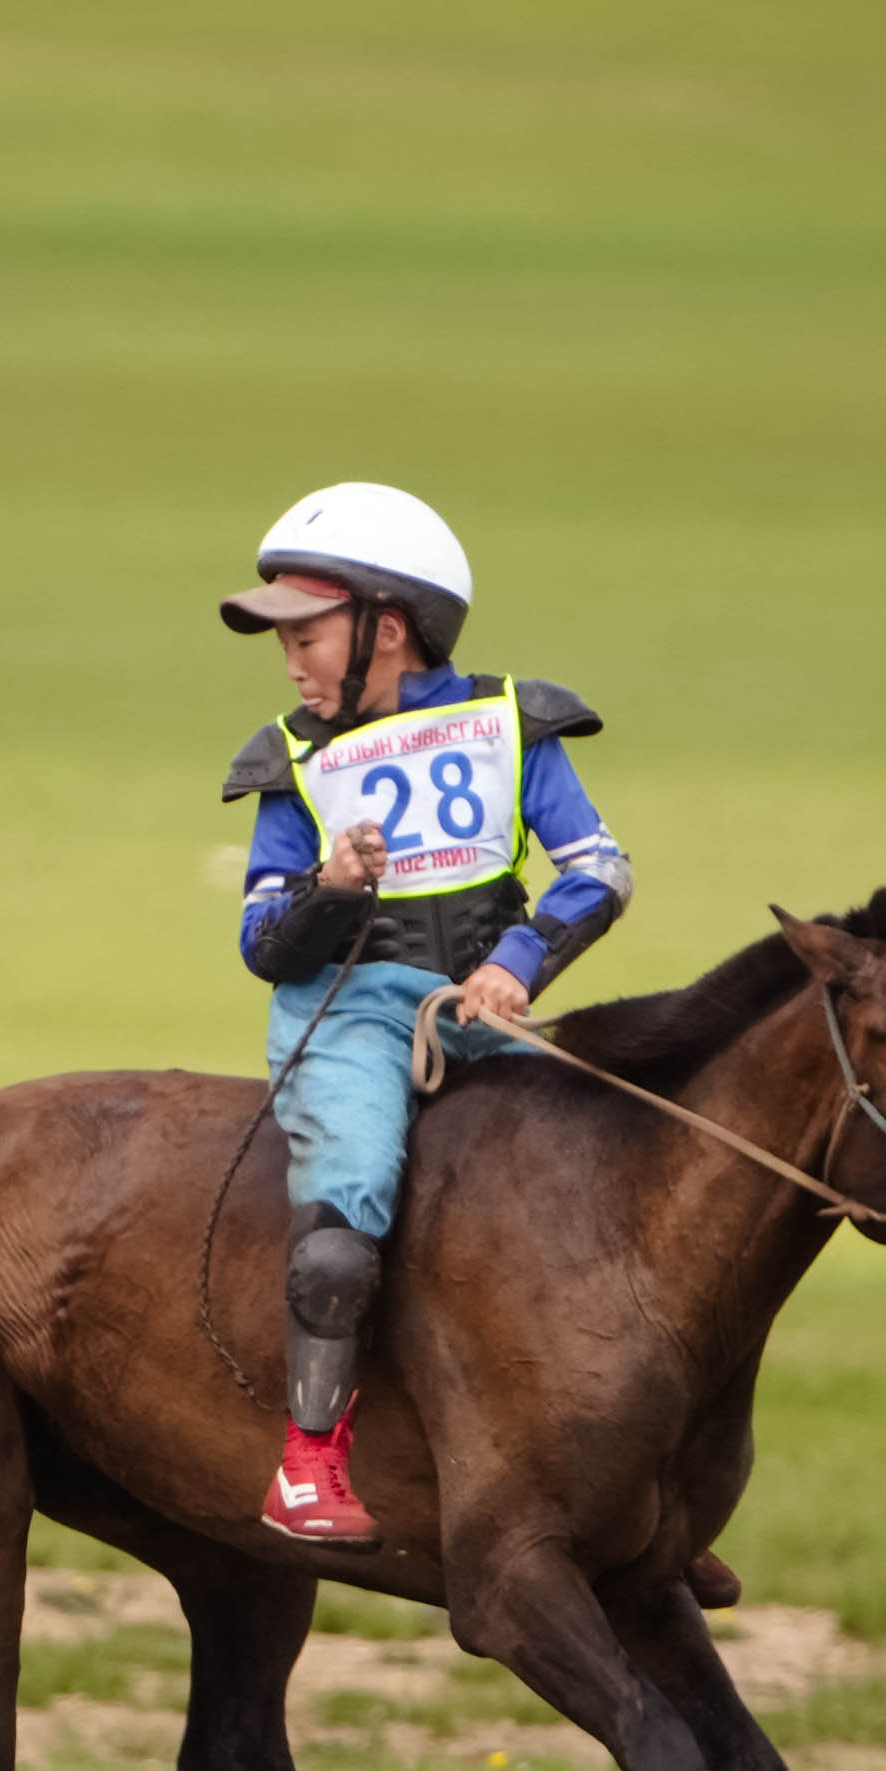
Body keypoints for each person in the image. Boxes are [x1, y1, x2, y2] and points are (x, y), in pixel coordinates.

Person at [217, 482, 631, 1549]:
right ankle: (307, 1462)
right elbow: (263, 945)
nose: (293, 663)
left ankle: (620, 1470)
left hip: (477, 1011)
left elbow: (598, 870)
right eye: (286, 643)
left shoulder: (511, 725)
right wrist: (329, 887)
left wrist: (519, 963)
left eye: (307, 637)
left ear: (386, 629)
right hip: (346, 1014)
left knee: (588, 1182)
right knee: (344, 1225)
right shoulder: (291, 762)